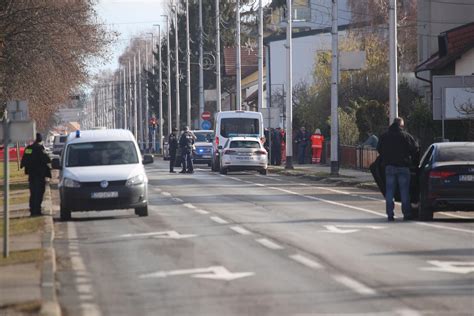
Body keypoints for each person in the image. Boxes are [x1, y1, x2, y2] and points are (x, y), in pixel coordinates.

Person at [377, 117, 419, 221]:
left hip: (389, 167)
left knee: (389, 192)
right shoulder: (406, 136)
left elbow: (379, 148)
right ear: (401, 125)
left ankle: (390, 214)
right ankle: (406, 214)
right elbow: (415, 148)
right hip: (403, 167)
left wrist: (385, 158)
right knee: (404, 191)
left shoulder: (385, 136)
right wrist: (411, 160)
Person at [20, 133, 52, 217]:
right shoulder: (40, 148)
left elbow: (24, 160)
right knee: (39, 192)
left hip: (31, 175)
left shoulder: (28, 149)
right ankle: (37, 210)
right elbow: (47, 159)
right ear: (40, 139)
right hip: (39, 175)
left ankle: (32, 210)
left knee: (33, 192)